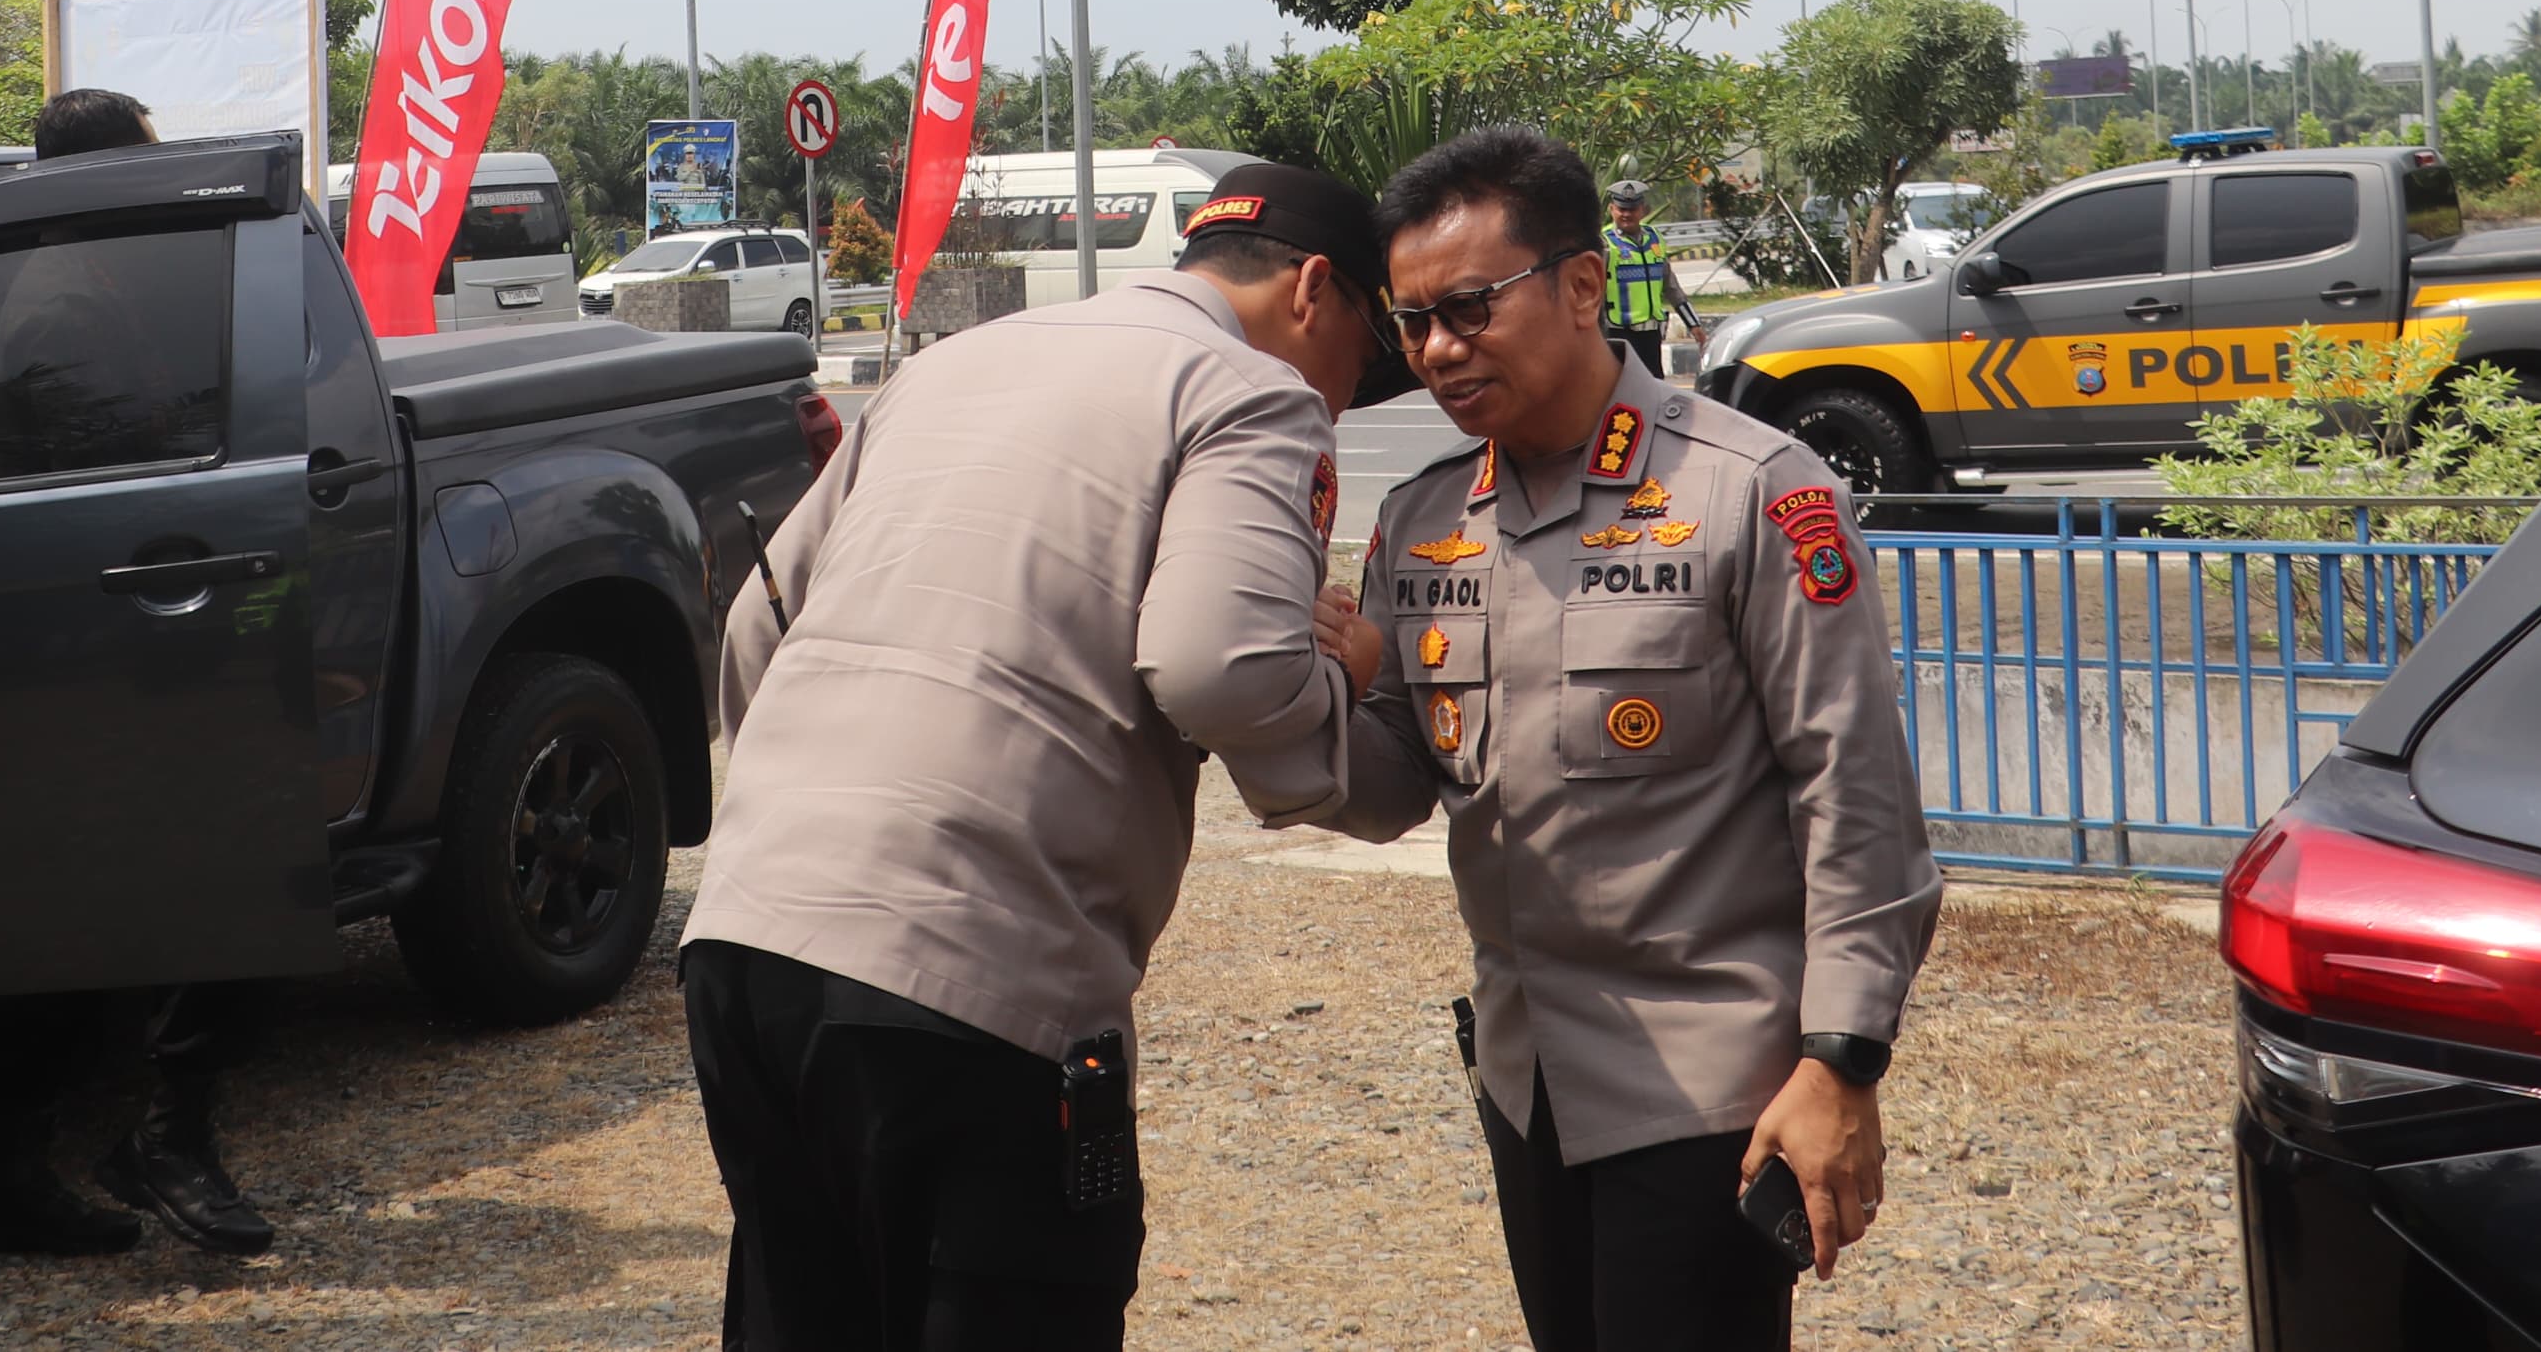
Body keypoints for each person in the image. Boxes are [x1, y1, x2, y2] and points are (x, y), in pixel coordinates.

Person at [681, 161, 1413, 1349]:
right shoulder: (1250, 393)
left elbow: (757, 631)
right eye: (1363, 358)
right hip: (975, 973)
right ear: (1312, 289)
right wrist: (1346, 682)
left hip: (746, 941)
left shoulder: (951, 363)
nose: (1345, 399)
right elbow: (1215, 667)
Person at [1319, 125, 1939, 1352]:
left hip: (1707, 1090)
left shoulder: (1750, 490)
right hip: (1527, 1078)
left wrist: (1840, 1061)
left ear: (1581, 285)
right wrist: (1292, 697)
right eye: (1412, 321)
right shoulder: (1425, 518)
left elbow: (1852, 793)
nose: (1437, 349)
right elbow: (1392, 783)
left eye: (1468, 307)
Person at [0, 86, 274, 1258]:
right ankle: (162, 1136)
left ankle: (15, 1171)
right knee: (225, 872)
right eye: (144, 159)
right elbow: (106, 467)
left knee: (83, 907)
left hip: (102, 626)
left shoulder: (89, 278)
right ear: (95, 174)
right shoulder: (63, 301)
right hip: (103, 633)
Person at [1597, 177, 1684, 377]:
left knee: (1654, 385)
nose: (1627, 214)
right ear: (1612, 209)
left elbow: (1670, 286)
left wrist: (1693, 324)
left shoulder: (1654, 239)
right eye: (1621, 209)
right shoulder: (1604, 243)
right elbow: (1594, 293)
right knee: (1621, 385)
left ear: (1642, 210)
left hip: (1650, 335)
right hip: (1618, 334)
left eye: (1632, 209)